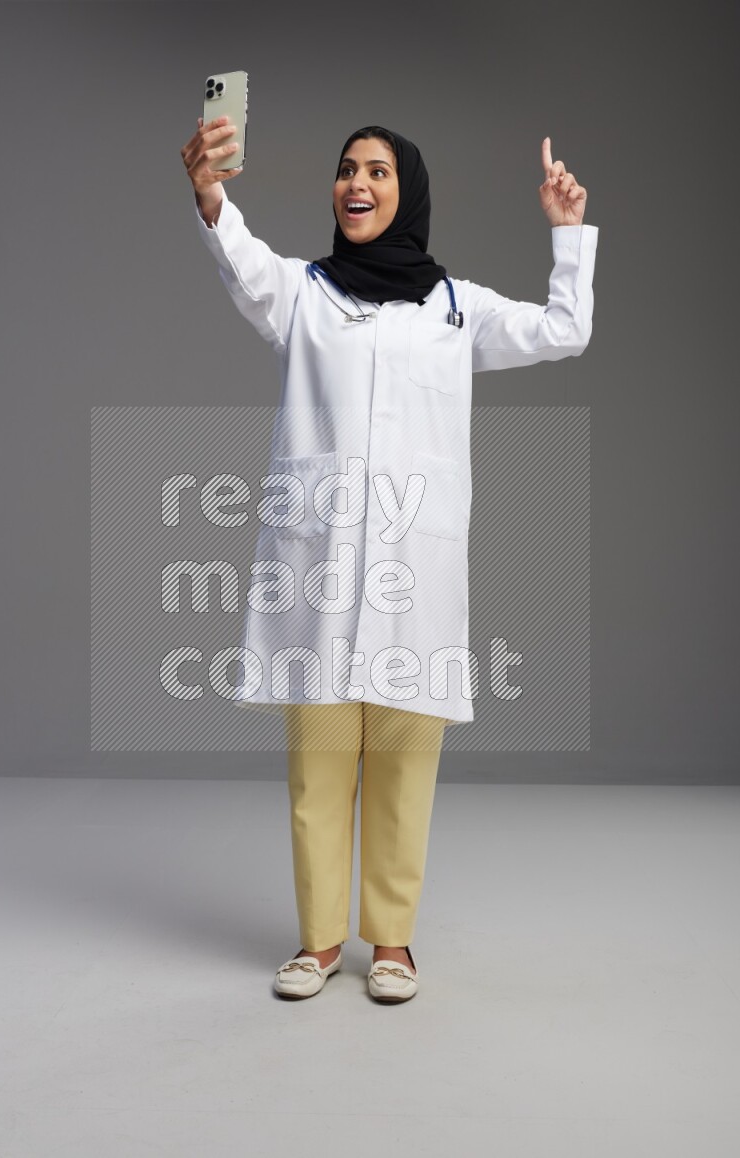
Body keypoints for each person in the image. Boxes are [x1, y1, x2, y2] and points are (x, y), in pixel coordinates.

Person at [180, 115, 598, 1002]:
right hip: (320, 571)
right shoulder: (303, 294)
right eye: (345, 170)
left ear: (407, 192)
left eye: (376, 170)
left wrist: (568, 235)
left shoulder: (457, 309)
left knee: (406, 763)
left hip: (416, 574)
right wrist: (210, 192)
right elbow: (242, 262)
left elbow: (566, 329)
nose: (356, 183)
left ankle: (394, 944)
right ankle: (319, 942)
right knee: (320, 762)